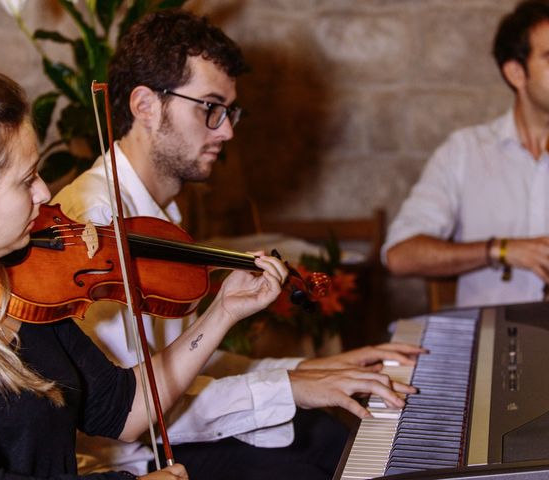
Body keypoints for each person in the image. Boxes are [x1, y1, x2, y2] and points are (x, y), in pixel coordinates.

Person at [52, 9, 424, 480]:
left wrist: (311, 367)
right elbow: (131, 403)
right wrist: (292, 387)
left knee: (336, 440)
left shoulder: (161, 215)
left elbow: (189, 358)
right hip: (137, 459)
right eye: (209, 107)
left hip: (185, 435)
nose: (226, 131)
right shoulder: (93, 226)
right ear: (146, 105)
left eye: (229, 111)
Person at [0, 70, 296, 479]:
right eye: (25, 181)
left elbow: (121, 409)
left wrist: (224, 312)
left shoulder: (23, 292)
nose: (43, 193)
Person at [383, 0, 549, 326]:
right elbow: (401, 255)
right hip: (491, 353)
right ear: (516, 72)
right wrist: (498, 250)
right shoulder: (464, 152)